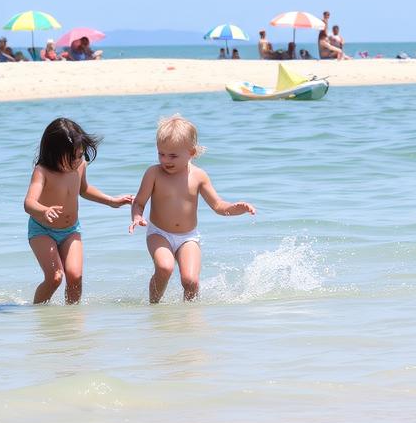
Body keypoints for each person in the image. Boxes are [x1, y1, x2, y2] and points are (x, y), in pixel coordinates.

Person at [129, 115, 255, 303]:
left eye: (173, 155)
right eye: (161, 154)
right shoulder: (153, 173)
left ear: (191, 153)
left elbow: (219, 206)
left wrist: (237, 208)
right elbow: (139, 202)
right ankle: (154, 306)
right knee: (165, 267)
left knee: (191, 280)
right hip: (159, 233)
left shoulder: (199, 176)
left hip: (188, 237)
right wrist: (137, 216)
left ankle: (190, 316)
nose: (165, 160)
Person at [23, 118, 133, 304]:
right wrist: (43, 210)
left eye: (80, 155)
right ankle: (38, 314)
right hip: (42, 231)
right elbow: (29, 203)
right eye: (72, 157)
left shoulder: (80, 165)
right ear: (54, 153)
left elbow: (84, 190)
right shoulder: (42, 171)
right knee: (56, 277)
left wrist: (111, 201)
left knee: (75, 277)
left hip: (71, 231)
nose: (77, 161)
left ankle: (72, 320)